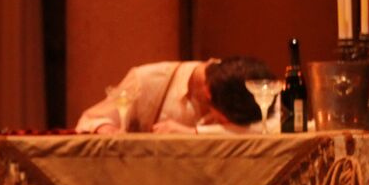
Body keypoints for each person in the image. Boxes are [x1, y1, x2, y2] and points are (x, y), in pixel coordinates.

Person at [75, 57, 275, 134]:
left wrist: (192, 135)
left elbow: (269, 128)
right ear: (208, 94)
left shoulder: (237, 82)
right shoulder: (147, 80)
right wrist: (109, 131)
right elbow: (90, 119)